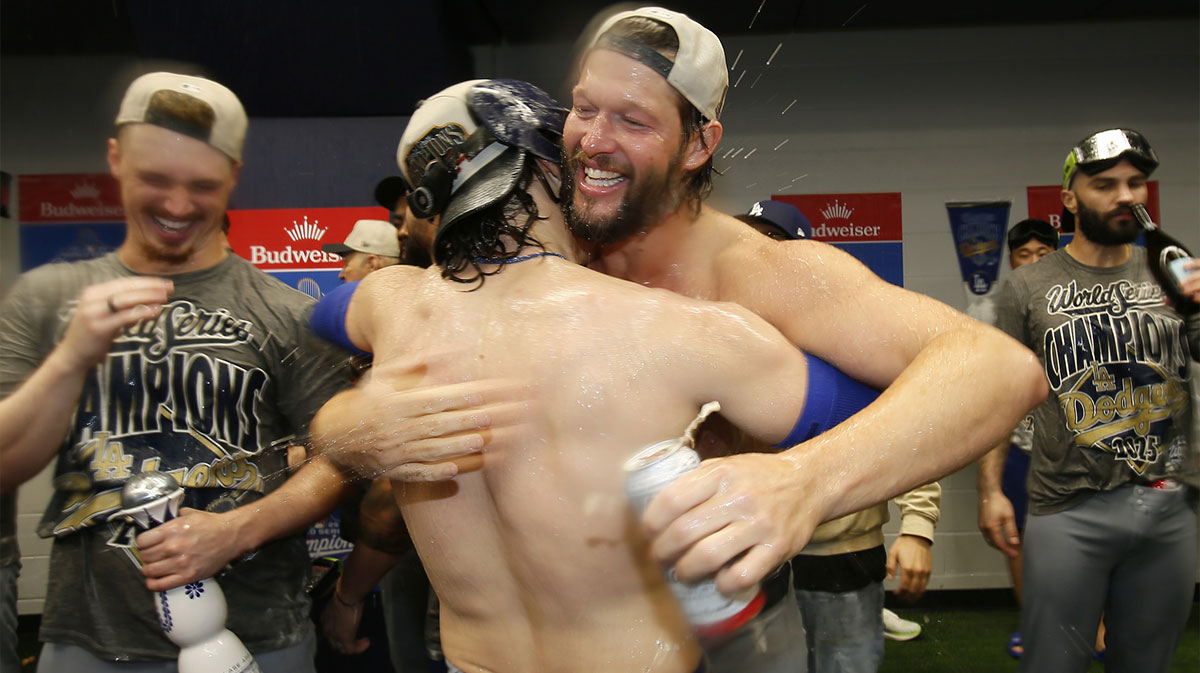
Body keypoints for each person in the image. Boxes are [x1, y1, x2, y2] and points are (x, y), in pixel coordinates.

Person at [307, 78, 895, 673]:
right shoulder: (678, 331)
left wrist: (337, 421)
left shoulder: (389, 304)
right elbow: (890, 405)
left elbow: (321, 315)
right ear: (553, 168)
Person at [561, 5, 1044, 614]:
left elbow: (999, 368)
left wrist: (805, 481)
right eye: (583, 109)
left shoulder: (757, 273)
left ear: (697, 145)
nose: (594, 142)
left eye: (633, 121)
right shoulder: (550, 243)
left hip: (715, 625)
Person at [0, 71, 482, 672]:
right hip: (86, 637)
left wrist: (239, 531)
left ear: (233, 176)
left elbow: (341, 457)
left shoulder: (286, 314)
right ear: (115, 159)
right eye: (155, 180)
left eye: (201, 185)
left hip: (258, 635)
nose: (177, 206)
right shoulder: (48, 298)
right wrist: (70, 359)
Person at [979, 128, 1198, 673]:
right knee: (1054, 663)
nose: (1126, 195)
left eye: (1136, 183)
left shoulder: (1173, 267)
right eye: (1105, 184)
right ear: (1071, 198)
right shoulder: (1029, 287)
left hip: (1169, 505)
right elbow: (996, 396)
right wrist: (990, 491)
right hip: (1067, 507)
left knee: (1147, 664)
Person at [736, 199, 943, 669]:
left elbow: (908, 426)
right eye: (750, 242)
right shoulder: (726, 335)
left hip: (840, 552)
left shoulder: (854, 336)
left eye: (773, 244)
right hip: (754, 551)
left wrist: (918, 527)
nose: (758, 257)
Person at [975, 217, 1058, 659]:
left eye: (1042, 254)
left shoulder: (1074, 304)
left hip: (1074, 448)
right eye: (1024, 255)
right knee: (1018, 539)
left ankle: (1097, 623)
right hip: (1017, 443)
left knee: (1079, 536)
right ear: (1012, 260)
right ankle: (1036, 625)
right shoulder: (990, 311)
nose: (1032, 262)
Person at [322, 218, 402, 282]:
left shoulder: (341, 300)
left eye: (347, 264)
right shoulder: (409, 299)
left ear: (372, 264)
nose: (341, 275)